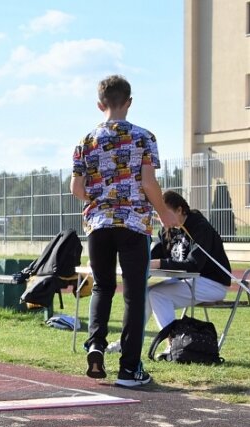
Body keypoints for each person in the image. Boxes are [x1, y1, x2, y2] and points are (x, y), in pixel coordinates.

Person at [71, 75, 177, 388]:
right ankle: (130, 369)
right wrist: (164, 212)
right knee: (134, 293)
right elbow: (147, 182)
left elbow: (76, 187)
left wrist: (100, 200)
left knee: (103, 286)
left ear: (99, 104)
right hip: (134, 223)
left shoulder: (86, 141)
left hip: (98, 225)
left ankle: (95, 345)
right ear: (129, 101)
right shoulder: (144, 137)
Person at [147, 190, 231, 350]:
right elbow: (151, 258)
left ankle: (174, 345)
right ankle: (129, 342)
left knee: (156, 294)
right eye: (158, 216)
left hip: (212, 283)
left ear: (180, 210)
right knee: (145, 294)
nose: (162, 220)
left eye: (165, 214)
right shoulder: (166, 230)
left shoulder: (200, 227)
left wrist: (158, 264)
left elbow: (193, 265)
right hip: (188, 281)